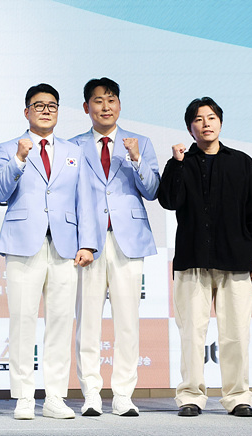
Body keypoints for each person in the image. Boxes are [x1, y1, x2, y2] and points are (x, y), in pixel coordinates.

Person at [158, 97, 252, 418]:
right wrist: (176, 163)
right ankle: (190, 396)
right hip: (192, 259)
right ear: (190, 128)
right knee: (191, 332)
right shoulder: (182, 162)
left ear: (220, 122)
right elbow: (168, 200)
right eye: (198, 119)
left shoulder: (242, 162)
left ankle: (237, 396)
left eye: (211, 117)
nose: (205, 123)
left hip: (236, 259)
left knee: (236, 333)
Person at [0, 84, 96, 420]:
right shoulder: (8, 148)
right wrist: (19, 159)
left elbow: (85, 199)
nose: (46, 110)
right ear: (26, 112)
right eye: (39, 105)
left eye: (52, 105)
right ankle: (24, 396)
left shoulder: (74, 151)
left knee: (61, 323)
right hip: (23, 243)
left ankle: (55, 396)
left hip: (65, 245)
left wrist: (87, 243)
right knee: (22, 320)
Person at [70, 78, 160, 417]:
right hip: (87, 242)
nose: (105, 107)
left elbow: (152, 190)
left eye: (111, 100)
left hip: (128, 239)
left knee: (127, 322)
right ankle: (91, 393)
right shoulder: (73, 145)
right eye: (98, 101)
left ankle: (123, 394)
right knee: (87, 321)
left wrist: (136, 159)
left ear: (119, 105)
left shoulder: (140, 142)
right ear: (86, 107)